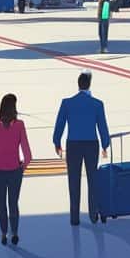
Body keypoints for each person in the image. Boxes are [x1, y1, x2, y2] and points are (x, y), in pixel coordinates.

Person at [52, 72, 110, 225]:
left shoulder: (67, 103)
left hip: (73, 144)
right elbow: (102, 126)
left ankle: (74, 217)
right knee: (93, 179)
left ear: (78, 85)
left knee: (74, 180)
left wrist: (56, 142)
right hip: (91, 144)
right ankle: (93, 214)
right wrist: (105, 144)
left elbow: (60, 125)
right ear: (89, 85)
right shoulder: (97, 104)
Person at [0, 94, 32, 246]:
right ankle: (15, 232)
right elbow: (28, 154)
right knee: (13, 201)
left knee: (0, 201)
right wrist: (21, 167)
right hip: (14, 170)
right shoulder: (19, 125)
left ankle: (3, 232)